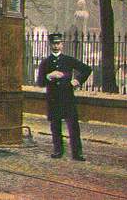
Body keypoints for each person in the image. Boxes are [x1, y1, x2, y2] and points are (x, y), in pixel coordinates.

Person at [37, 33, 92, 161]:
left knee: (73, 126)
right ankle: (58, 150)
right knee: (55, 126)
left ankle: (77, 153)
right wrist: (49, 76)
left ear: (62, 44)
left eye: (58, 43)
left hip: (67, 98)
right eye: (53, 44)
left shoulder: (68, 60)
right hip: (53, 98)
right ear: (50, 45)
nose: (56, 46)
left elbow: (87, 69)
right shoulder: (45, 63)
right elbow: (40, 82)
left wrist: (77, 80)